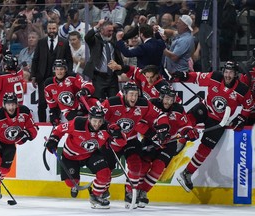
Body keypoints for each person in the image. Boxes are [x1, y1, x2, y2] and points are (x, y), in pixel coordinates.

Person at [172, 61, 254, 192]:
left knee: (205, 148)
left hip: (219, 121)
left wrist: (241, 117)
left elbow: (249, 106)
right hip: (206, 108)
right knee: (189, 118)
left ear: (236, 74)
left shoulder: (242, 90)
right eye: (226, 72)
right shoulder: (215, 77)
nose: (227, 75)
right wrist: (183, 75)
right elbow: (197, 77)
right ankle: (180, 141)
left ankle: (187, 173)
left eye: (231, 73)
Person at [100, 81, 170, 208]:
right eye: (131, 95)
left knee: (136, 164)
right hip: (112, 141)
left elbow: (160, 115)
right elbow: (98, 120)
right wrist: (109, 129)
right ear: (125, 94)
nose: (134, 98)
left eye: (136, 95)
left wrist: (163, 128)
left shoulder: (143, 104)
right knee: (106, 169)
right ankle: (101, 191)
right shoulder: (111, 102)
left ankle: (129, 193)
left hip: (130, 140)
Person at [45, 106, 126, 209]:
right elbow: (59, 129)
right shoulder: (78, 123)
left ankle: (96, 196)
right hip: (71, 156)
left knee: (105, 173)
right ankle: (75, 185)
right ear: (89, 118)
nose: (97, 124)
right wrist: (53, 140)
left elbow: (122, 142)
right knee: (71, 183)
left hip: (90, 154)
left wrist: (118, 134)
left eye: (100, 121)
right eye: (95, 121)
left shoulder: (107, 127)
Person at [137, 85, 199, 208]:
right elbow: (140, 122)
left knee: (159, 167)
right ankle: (135, 190)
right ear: (161, 97)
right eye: (166, 99)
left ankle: (143, 192)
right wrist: (153, 135)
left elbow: (185, 125)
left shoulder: (178, 108)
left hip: (169, 143)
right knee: (144, 165)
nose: (169, 102)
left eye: (171, 99)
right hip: (151, 140)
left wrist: (190, 132)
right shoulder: (152, 104)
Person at [31, 20, 73, 122]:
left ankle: (55, 123)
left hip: (59, 78)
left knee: (57, 103)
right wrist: (33, 75)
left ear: (57, 29)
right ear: (47, 29)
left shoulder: (65, 42)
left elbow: (69, 60)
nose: (52, 31)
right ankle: (41, 125)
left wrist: (68, 75)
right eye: (50, 29)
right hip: (43, 78)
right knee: (42, 103)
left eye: (53, 28)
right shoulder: (41, 42)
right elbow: (35, 59)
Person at [44, 59, 95, 125]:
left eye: (61, 69)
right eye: (57, 69)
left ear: (65, 70)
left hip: (82, 105)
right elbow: (51, 102)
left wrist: (85, 90)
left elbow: (88, 85)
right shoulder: (49, 84)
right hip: (68, 111)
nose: (59, 72)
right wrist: (53, 114)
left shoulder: (72, 77)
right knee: (79, 124)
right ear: (54, 70)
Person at [83, 19, 123, 100]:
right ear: (101, 30)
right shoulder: (95, 40)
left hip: (112, 77)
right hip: (99, 77)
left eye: (112, 30)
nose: (111, 33)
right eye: (109, 31)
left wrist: (139, 25)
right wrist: (97, 26)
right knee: (98, 101)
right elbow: (87, 37)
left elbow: (128, 35)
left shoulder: (114, 38)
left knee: (115, 101)